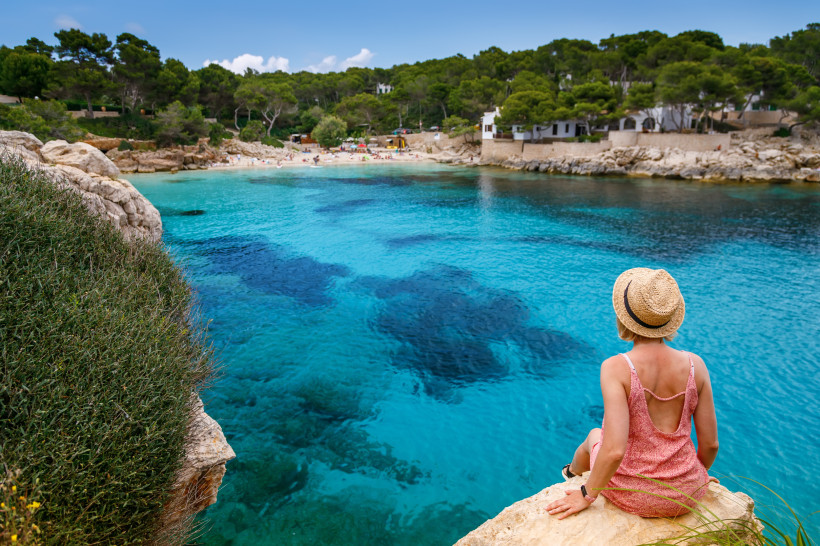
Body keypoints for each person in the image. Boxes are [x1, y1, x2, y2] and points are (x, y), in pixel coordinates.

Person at [546, 268, 718, 519]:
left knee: (595, 435)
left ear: (624, 317)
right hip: (688, 493)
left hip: (635, 496)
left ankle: (572, 477)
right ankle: (571, 475)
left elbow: (615, 450)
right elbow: (711, 444)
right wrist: (695, 475)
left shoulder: (617, 368)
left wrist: (587, 496)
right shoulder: (695, 365)